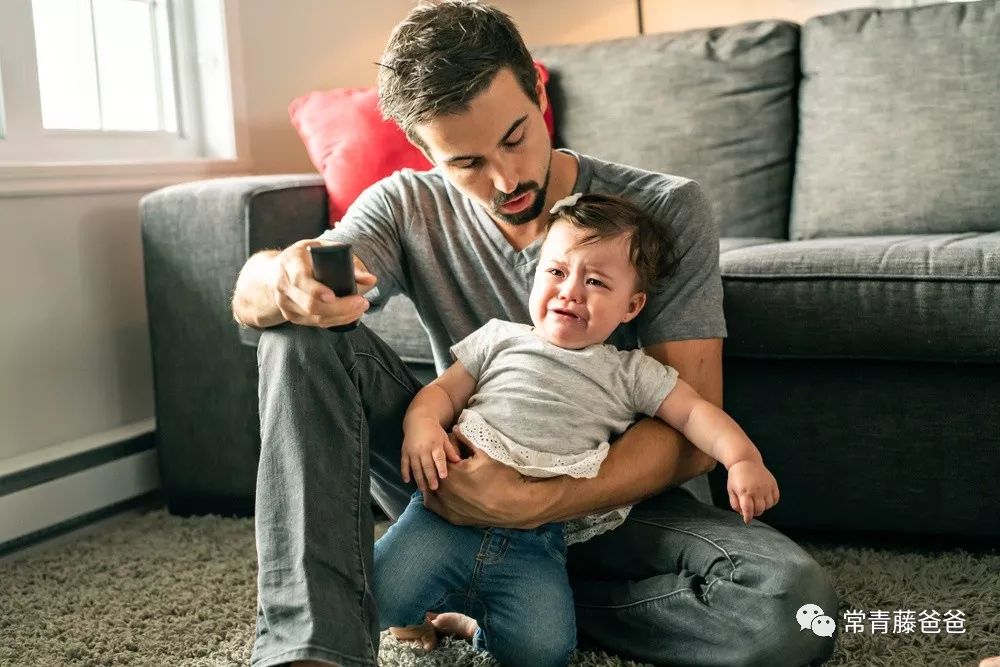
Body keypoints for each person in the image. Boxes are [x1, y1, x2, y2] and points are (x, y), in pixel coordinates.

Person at [231, 2, 838, 666]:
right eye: (466, 162)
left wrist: (534, 501)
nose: (507, 179)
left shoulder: (662, 209)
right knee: (295, 333)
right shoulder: (407, 204)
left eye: (517, 136)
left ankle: (498, 603)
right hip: (451, 481)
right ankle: (310, 651)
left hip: (616, 507)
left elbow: (693, 437)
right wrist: (280, 277)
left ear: (539, 92)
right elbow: (269, 292)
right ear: (424, 149)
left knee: (793, 609)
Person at [374, 193, 781, 665]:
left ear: (632, 306)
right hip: (442, 512)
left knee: (543, 651)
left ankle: (473, 621)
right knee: (381, 596)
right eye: (556, 272)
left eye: (595, 281)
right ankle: (418, 614)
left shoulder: (630, 373)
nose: (570, 291)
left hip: (537, 538)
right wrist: (422, 425)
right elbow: (442, 392)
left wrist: (742, 459)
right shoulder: (499, 338)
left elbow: (695, 414)